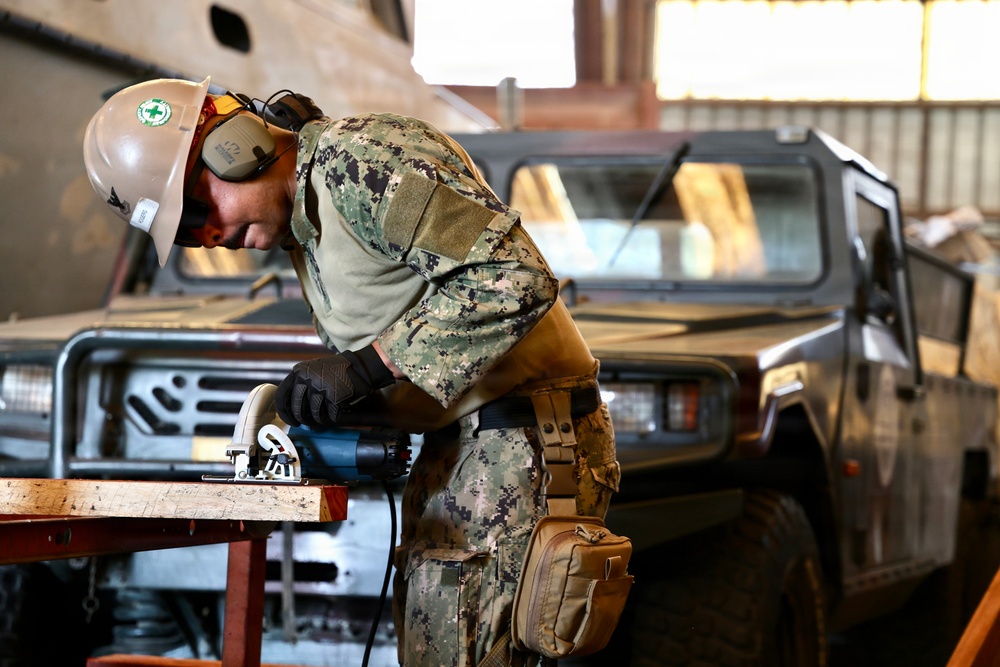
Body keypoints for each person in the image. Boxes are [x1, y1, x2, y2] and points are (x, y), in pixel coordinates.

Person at [83, 76, 619, 666]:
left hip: (521, 443)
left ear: (232, 148)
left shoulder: (361, 159)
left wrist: (369, 367)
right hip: (464, 445)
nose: (209, 238)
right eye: (187, 234)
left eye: (199, 209)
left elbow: (512, 278)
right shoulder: (306, 222)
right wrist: (360, 400)